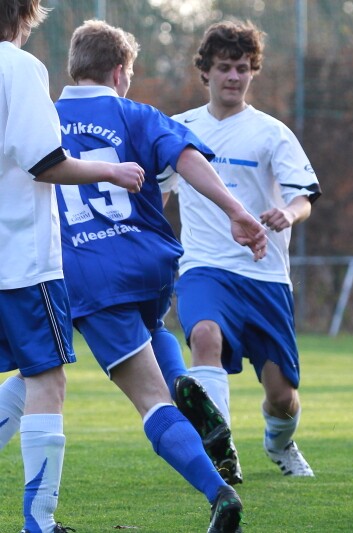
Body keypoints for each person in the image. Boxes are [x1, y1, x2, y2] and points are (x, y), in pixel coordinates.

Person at [52, 20, 267, 532]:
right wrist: (237, 211)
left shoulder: (40, 119)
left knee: (149, 402)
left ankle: (218, 493)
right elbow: (186, 157)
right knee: (151, 331)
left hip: (89, 272)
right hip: (149, 260)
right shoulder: (137, 114)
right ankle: (181, 380)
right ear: (119, 72)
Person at [0, 4, 145, 533]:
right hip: (20, 260)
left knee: (30, 374)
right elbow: (45, 161)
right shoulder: (17, 66)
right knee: (47, 379)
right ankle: (39, 522)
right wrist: (112, 170)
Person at [161, 20, 321, 479]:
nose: (234, 76)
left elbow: (303, 197)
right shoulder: (180, 129)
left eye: (243, 68)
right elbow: (159, 194)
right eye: (224, 67)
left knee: (282, 396)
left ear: (253, 72)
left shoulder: (272, 133)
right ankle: (220, 452)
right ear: (205, 71)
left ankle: (280, 442)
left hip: (264, 275)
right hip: (204, 268)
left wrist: (288, 214)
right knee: (204, 336)